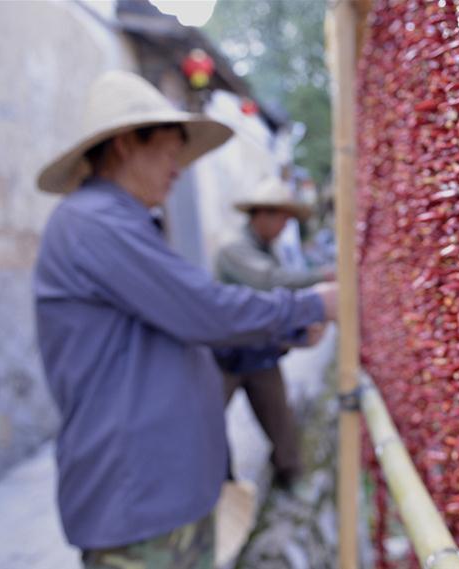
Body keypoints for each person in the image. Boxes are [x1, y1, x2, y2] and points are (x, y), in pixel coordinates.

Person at [33, 70, 337, 569]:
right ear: (128, 144)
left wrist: (285, 332)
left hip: (164, 497)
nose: (177, 170)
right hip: (139, 503)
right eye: (171, 151)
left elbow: (179, 334)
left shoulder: (123, 224)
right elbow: (206, 311)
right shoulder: (94, 223)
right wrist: (310, 305)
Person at [214, 177, 334, 489]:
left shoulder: (266, 250)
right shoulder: (235, 249)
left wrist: (296, 336)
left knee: (281, 425)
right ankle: (222, 486)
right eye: (281, 218)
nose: (284, 227)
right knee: (207, 423)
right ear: (261, 215)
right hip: (226, 354)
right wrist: (320, 281)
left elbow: (270, 310)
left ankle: (289, 479)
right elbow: (269, 284)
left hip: (260, 354)